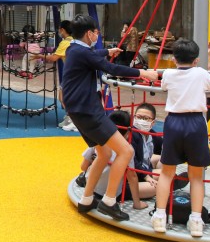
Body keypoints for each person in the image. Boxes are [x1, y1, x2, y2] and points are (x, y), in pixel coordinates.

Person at [64, 14, 158, 222]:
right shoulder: (82, 53)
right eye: (96, 32)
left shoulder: (74, 49)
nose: (98, 35)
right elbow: (111, 68)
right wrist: (142, 73)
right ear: (89, 33)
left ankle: (87, 199)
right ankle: (108, 201)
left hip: (79, 110)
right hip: (88, 110)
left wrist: (107, 51)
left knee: (104, 153)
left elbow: (94, 55)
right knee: (126, 150)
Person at [151, 39, 210, 238]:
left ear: (173, 59)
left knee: (167, 172)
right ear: (196, 60)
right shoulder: (201, 73)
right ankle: (196, 220)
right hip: (195, 123)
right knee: (196, 175)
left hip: (173, 122)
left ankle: (159, 216)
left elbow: (165, 87)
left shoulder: (168, 73)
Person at [34, 20, 74, 130]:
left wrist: (39, 56)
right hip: (74, 73)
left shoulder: (65, 43)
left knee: (64, 98)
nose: (59, 32)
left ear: (63, 30)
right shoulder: (74, 41)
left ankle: (74, 119)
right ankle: (70, 117)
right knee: (65, 97)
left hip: (71, 74)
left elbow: (53, 58)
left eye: (59, 29)